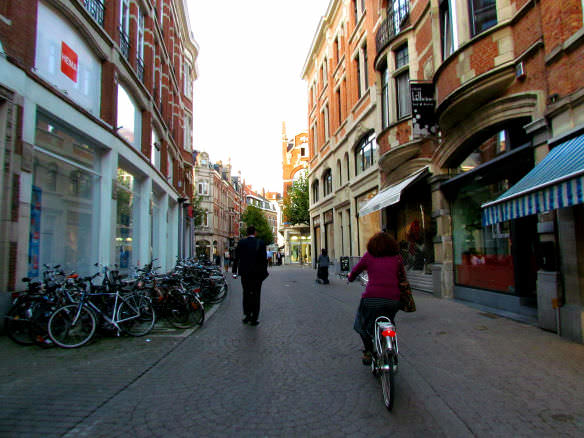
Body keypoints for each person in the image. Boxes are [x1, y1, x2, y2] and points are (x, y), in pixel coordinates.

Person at [348, 232, 403, 365]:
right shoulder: (397, 257)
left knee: (361, 324)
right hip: (393, 299)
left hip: (372, 298)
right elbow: (402, 276)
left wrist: (350, 277)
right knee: (389, 320)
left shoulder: (369, 256)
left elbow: (355, 270)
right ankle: (391, 343)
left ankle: (368, 351)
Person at [232, 226, 268, 326]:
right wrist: (264, 273)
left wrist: (234, 272)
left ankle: (247, 315)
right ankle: (254, 318)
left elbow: (236, 258)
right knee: (256, 295)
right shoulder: (260, 243)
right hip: (257, 274)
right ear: (255, 233)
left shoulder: (241, 243)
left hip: (245, 273)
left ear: (247, 233)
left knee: (246, 293)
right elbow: (264, 260)